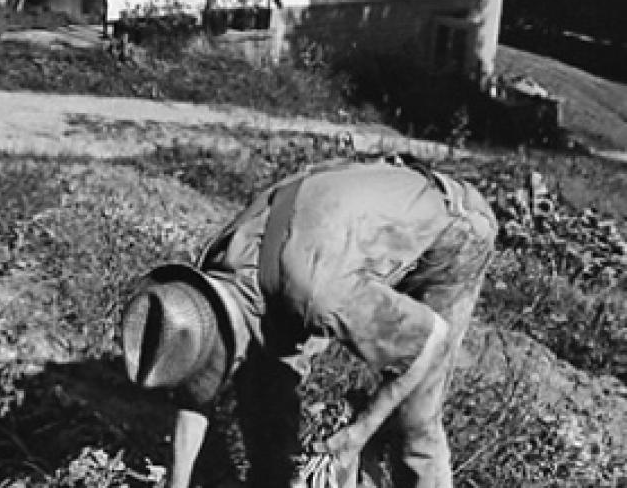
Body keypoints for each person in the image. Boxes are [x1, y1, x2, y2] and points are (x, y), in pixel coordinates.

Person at [121, 157, 497, 488]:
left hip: (452, 230)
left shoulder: (315, 292)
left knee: (414, 416)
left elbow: (430, 342)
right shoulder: (205, 293)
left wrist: (356, 436)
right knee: (263, 389)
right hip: (337, 235)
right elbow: (195, 398)